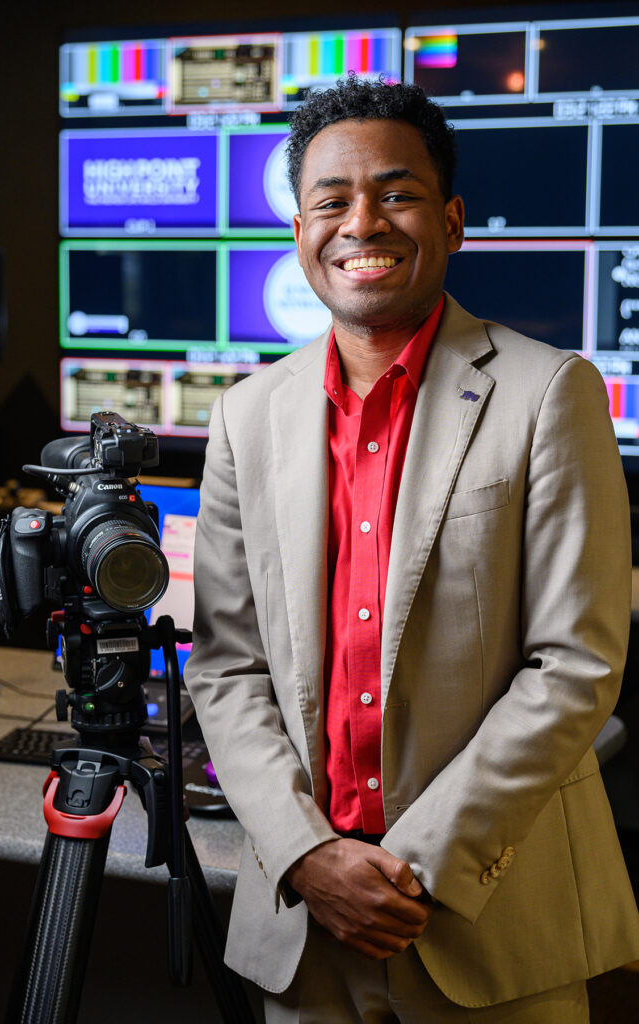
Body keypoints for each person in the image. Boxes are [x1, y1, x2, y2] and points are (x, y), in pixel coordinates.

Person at [184, 77, 639, 1023]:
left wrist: (412, 865)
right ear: (301, 229)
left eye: (395, 193)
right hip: (304, 930)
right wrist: (308, 856)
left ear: (453, 218)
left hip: (490, 922)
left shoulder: (549, 392)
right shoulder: (246, 416)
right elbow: (227, 666)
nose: (363, 222)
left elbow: (574, 666)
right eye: (331, 200)